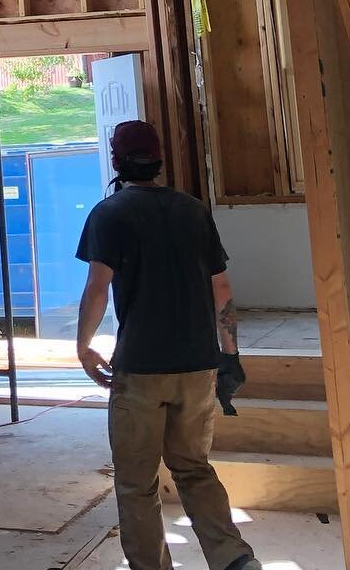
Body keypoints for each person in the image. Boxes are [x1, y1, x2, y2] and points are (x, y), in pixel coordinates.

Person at [75, 120, 259, 570]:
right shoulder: (195, 211)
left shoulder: (110, 213)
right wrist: (230, 354)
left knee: (137, 483)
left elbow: (99, 286)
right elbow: (221, 288)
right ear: (160, 159)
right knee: (194, 468)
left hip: (140, 369)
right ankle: (234, 560)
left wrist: (83, 346)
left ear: (117, 161)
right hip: (197, 367)